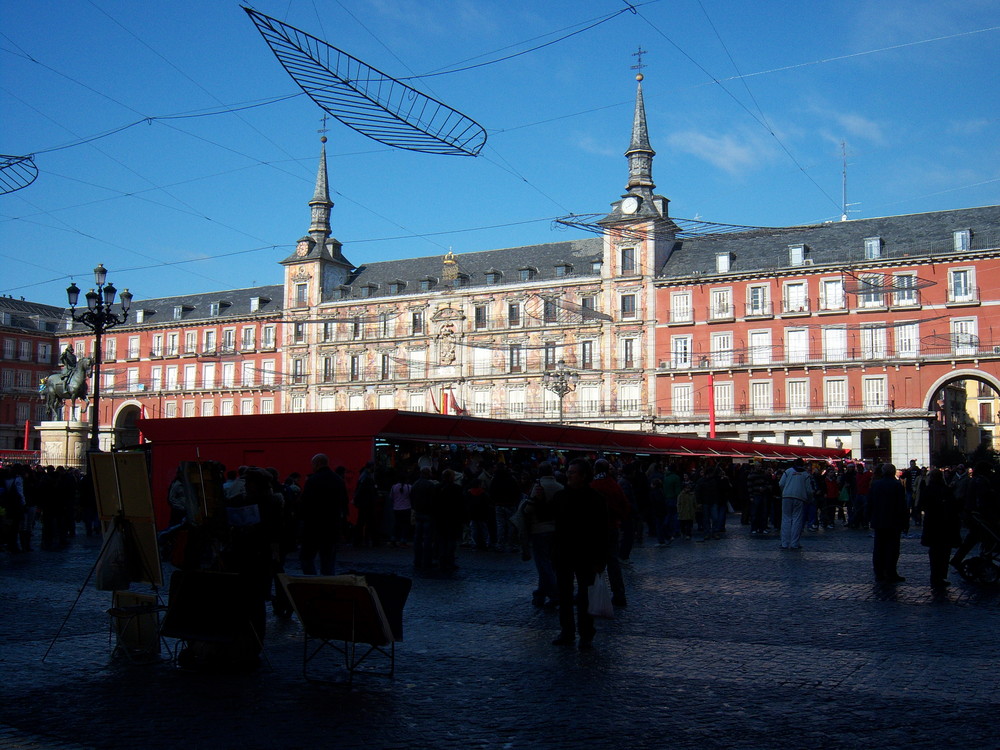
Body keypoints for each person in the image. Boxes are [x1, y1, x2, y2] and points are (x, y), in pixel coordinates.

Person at [551, 458, 608, 651]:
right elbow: (550, 520)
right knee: (565, 595)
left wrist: (601, 558)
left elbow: (602, 530)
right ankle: (567, 632)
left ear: (584, 476)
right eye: (568, 471)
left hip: (587, 555)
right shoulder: (560, 496)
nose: (568, 474)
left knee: (585, 596)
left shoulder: (595, 498)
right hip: (564, 553)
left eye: (573, 472)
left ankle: (585, 634)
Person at [298, 453, 348, 575]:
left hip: (313, 526)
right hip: (332, 526)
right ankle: (327, 584)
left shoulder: (312, 480)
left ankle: (311, 581)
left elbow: (305, 504)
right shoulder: (338, 480)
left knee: (307, 558)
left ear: (317, 464)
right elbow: (344, 503)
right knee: (328, 561)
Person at [522, 462, 561, 606]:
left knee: (543, 564)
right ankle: (540, 594)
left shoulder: (538, 487)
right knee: (550, 563)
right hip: (555, 529)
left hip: (539, 528)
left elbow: (530, 509)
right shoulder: (560, 487)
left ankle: (553, 594)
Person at [919, 468, 962, 589]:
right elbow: (954, 507)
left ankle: (935, 577)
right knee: (944, 553)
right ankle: (941, 576)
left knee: (934, 553)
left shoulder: (928, 489)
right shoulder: (945, 489)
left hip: (932, 526)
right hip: (945, 526)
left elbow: (922, 505)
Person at [868, 464, 908, 583]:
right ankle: (891, 572)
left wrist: (869, 517)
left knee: (879, 548)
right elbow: (902, 506)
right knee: (893, 548)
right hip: (893, 522)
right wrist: (905, 523)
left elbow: (870, 503)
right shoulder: (897, 486)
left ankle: (879, 572)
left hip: (879, 521)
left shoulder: (876, 485)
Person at [778, 458, 812, 550]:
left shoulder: (788, 471)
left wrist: (784, 491)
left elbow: (781, 484)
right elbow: (809, 490)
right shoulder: (805, 474)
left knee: (785, 519)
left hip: (786, 497)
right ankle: (794, 543)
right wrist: (809, 499)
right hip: (800, 498)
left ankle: (784, 543)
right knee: (797, 520)